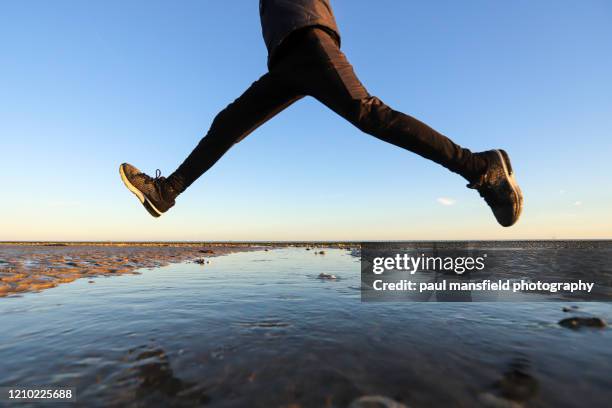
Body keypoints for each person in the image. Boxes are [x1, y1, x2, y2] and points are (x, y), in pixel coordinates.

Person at [120, 0, 523, 227]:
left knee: (369, 115)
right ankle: (167, 191)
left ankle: (481, 167)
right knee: (227, 124)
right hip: (285, 62)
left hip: (310, 41)